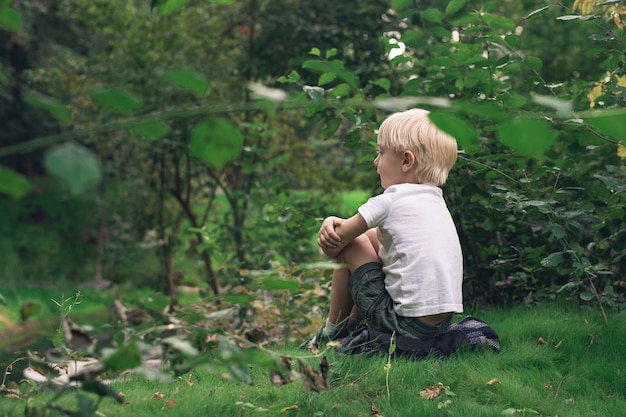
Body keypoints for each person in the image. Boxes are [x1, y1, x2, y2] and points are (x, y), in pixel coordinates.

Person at [304, 108, 463, 349]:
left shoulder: (390, 200)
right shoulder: (435, 200)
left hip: (404, 325)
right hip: (438, 324)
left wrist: (329, 222)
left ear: (406, 161)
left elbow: (337, 245)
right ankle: (353, 325)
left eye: (381, 153)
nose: (375, 161)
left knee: (355, 243)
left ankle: (333, 330)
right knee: (371, 237)